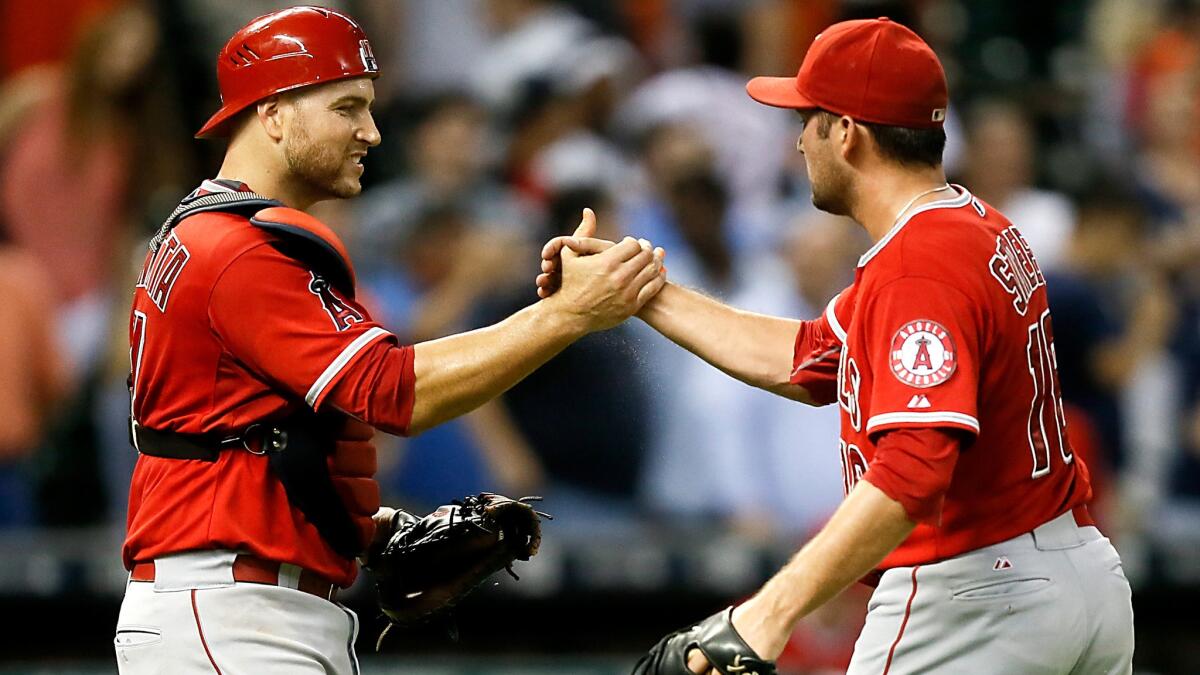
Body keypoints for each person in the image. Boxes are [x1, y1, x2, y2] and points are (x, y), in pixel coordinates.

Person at [541, 17, 1134, 674]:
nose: (797, 141)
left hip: (976, 594)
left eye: (808, 119)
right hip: (1076, 579)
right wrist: (638, 290)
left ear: (847, 133)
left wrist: (768, 611)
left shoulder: (919, 264)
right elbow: (812, 358)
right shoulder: (972, 224)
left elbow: (914, 467)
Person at [113, 7, 665, 674]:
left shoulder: (211, 231)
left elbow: (250, 436)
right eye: (347, 107)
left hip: (241, 601)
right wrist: (567, 315)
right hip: (230, 609)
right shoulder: (238, 249)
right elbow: (394, 392)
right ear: (273, 113)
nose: (371, 132)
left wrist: (366, 528)